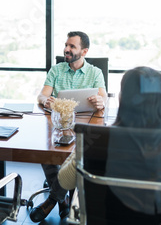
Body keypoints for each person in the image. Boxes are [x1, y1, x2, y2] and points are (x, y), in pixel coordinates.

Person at [58, 66, 161, 191]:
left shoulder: (98, 139)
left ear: (123, 99)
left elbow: (65, 182)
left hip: (103, 209)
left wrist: (81, 146)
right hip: (159, 210)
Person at [31, 31, 107, 223]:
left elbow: (104, 98)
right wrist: (45, 100)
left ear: (84, 51)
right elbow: (41, 96)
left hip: (85, 127)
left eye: (72, 46)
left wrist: (100, 101)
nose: (66, 49)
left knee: (78, 155)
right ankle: (63, 200)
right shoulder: (56, 70)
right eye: (66, 45)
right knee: (46, 153)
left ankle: (54, 200)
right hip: (58, 126)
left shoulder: (95, 72)